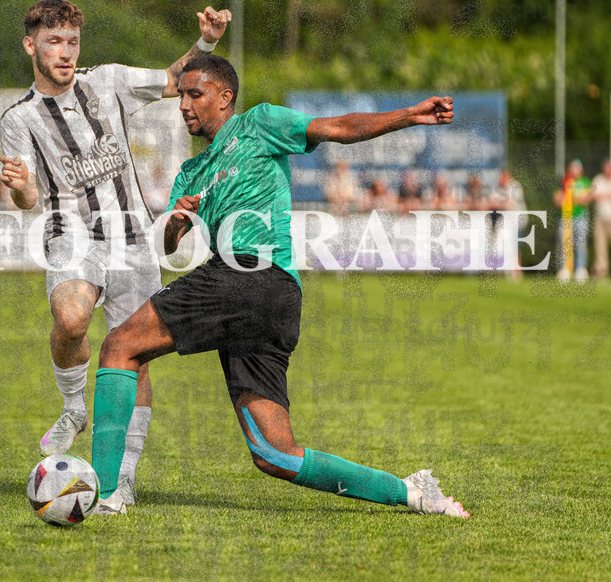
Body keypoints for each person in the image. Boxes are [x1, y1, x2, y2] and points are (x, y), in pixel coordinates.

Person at [89, 55, 469, 519]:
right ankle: (411, 492)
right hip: (269, 299)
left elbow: (338, 127)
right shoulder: (191, 174)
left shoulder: (259, 124)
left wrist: (409, 116)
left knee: (118, 347)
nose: (184, 105)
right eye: (182, 96)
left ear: (225, 98)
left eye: (195, 94)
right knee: (275, 455)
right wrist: (176, 219)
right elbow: (168, 247)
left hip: (251, 275)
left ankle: (105, 493)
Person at [0, 0, 231, 504]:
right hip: (71, 235)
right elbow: (29, 199)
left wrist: (209, 40)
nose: (64, 52)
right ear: (30, 45)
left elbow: (176, 78)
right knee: (70, 320)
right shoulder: (19, 118)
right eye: (54, 41)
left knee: (136, 356)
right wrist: (19, 187)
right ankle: (74, 406)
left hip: (132, 239)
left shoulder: (107, 81)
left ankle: (121, 479)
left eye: (72, 42)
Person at [553, 159, 592, 282]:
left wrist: (573, 199)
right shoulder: (564, 181)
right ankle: (564, 269)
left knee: (580, 243)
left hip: (580, 217)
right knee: (564, 244)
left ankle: (580, 269)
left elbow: (586, 199)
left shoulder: (585, 182)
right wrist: (566, 199)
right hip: (566, 217)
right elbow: (557, 199)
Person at [591, 159, 611, 278]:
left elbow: (600, 195)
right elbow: (594, 195)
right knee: (600, 246)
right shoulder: (598, 179)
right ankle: (602, 270)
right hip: (600, 218)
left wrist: (602, 194)